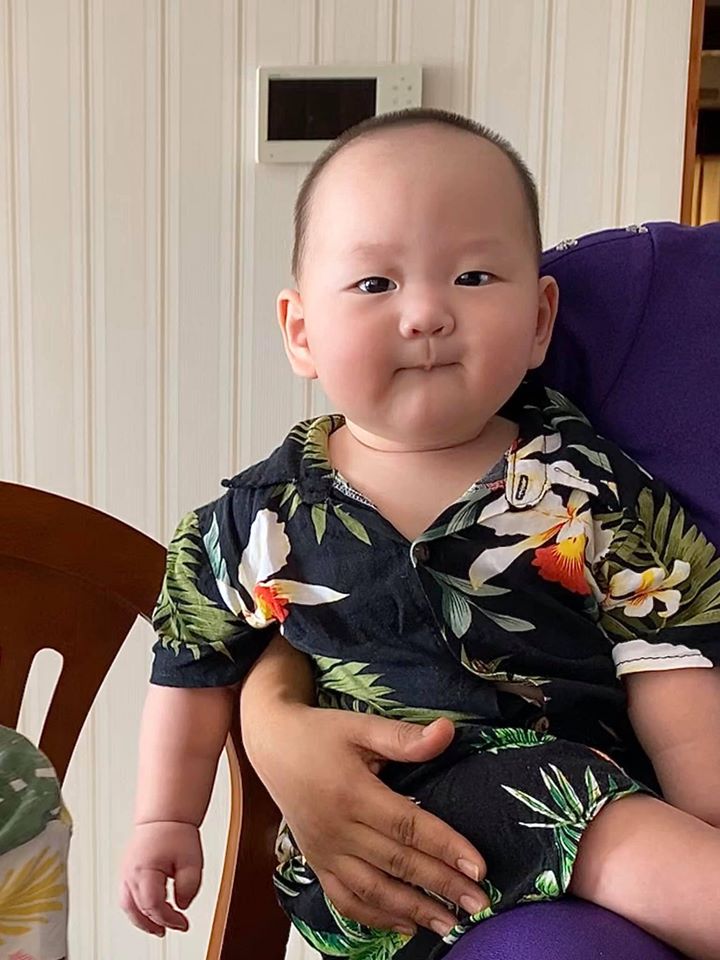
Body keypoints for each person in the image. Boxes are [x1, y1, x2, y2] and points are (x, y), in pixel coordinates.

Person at [120, 109, 720, 959]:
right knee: (561, 791)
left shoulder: (587, 485)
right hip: (366, 844)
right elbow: (191, 668)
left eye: (473, 276)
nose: (428, 313)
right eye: (375, 284)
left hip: (589, 808)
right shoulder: (258, 516)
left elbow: (667, 654)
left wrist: (702, 818)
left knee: (571, 789)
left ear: (540, 319)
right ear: (301, 332)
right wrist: (165, 819)